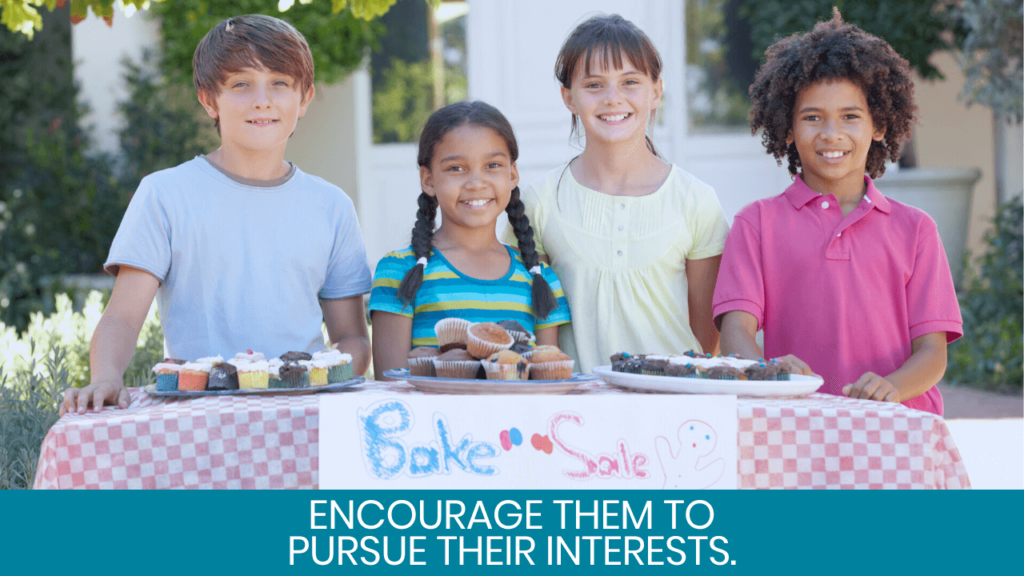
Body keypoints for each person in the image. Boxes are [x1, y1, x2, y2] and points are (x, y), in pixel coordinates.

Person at [61, 14, 372, 415]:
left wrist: (327, 377)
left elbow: (351, 338)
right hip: (198, 415)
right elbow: (122, 317)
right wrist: (106, 377)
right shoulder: (165, 194)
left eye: (279, 83)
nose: (262, 99)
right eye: (241, 84)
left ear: (305, 99)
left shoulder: (333, 206)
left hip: (303, 413)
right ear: (209, 100)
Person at [713, 9, 962, 415]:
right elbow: (734, 330)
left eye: (850, 116)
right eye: (812, 118)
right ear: (788, 129)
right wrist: (766, 370)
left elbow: (933, 352)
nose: (832, 134)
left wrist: (892, 387)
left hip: (900, 428)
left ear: (878, 125)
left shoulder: (916, 229)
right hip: (795, 426)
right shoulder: (755, 224)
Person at [502, 14, 730, 372]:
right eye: (594, 85)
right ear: (569, 97)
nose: (613, 99)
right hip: (576, 408)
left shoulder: (696, 201)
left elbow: (706, 335)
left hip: (672, 407)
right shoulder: (539, 202)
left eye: (630, 82)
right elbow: (529, 324)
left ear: (656, 91)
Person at [369, 101, 571, 376]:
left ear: (512, 174)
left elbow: (548, 379)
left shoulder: (540, 279)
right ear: (428, 180)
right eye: (456, 168)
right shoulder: (400, 271)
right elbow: (390, 385)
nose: (476, 182)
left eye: (493, 165)